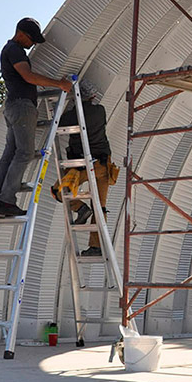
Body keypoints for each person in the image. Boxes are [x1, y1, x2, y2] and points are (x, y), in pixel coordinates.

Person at [0, 17, 71, 218]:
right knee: (25, 153)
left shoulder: (10, 50)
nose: (32, 43)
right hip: (21, 107)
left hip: (14, 106)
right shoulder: (15, 50)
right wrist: (59, 84)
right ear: (20, 34)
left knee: (10, 154)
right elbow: (28, 76)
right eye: (31, 39)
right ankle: (6, 200)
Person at [51, 80, 118, 257]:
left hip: (80, 166)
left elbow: (57, 122)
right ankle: (96, 247)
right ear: (93, 96)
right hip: (103, 164)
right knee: (100, 207)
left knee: (58, 191)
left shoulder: (72, 116)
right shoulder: (100, 110)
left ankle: (80, 208)